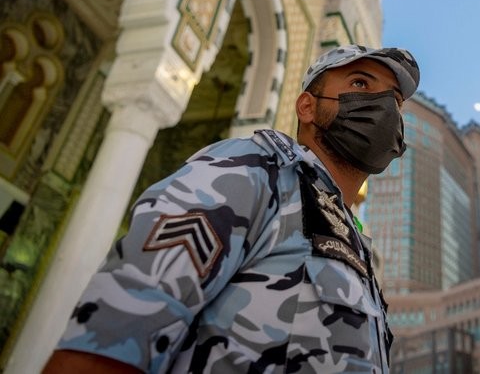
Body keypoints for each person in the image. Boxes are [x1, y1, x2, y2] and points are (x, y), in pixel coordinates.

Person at [43, 44, 420, 373]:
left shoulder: (357, 247)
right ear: (307, 106)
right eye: (360, 84)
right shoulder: (257, 171)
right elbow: (120, 330)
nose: (385, 107)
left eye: (395, 101)